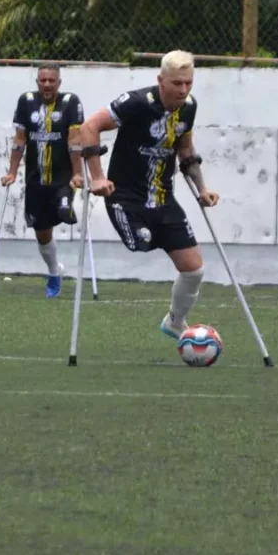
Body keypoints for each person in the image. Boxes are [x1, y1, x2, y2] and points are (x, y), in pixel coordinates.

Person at [72, 50, 219, 339]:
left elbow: (185, 149)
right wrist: (98, 177)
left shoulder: (188, 108)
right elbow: (89, 127)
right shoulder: (136, 103)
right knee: (143, 242)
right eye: (177, 83)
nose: (184, 90)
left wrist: (202, 189)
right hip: (125, 197)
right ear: (161, 80)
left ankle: (175, 322)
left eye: (188, 83)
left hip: (164, 198)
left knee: (194, 271)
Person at [2, 63, 84, 298]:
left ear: (59, 82)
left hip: (62, 178)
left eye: (52, 80)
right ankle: (54, 271)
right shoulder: (26, 101)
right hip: (36, 179)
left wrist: (77, 173)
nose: (47, 84)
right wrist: (12, 172)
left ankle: (65, 206)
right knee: (42, 233)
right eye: (43, 80)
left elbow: (75, 140)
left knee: (63, 209)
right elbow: (20, 140)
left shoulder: (70, 102)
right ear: (37, 82)